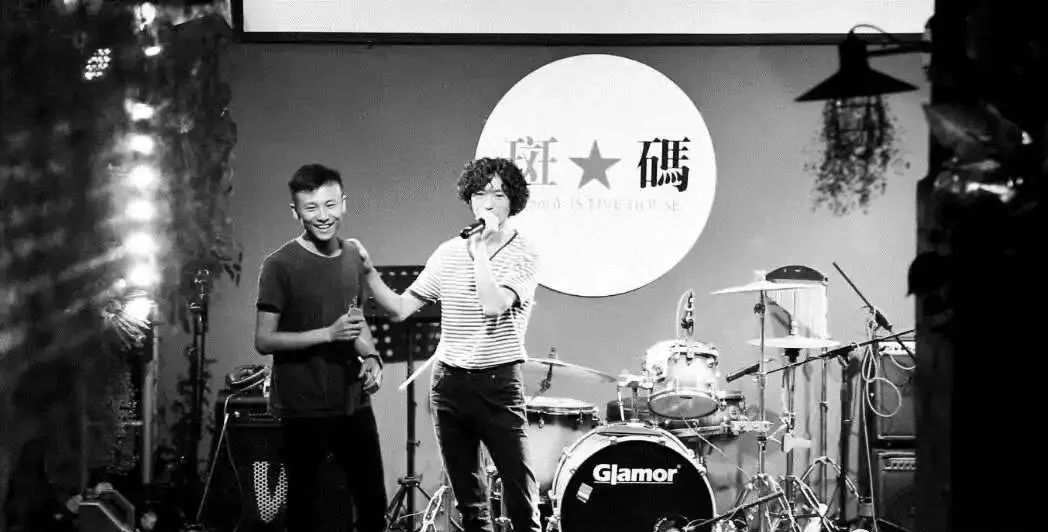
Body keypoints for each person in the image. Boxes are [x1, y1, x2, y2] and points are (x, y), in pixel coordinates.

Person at [351, 157, 541, 532]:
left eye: (499, 194)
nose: (488, 203)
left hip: (498, 383)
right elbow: (402, 308)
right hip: (450, 384)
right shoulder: (447, 252)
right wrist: (369, 272)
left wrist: (480, 251)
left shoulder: (524, 252)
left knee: (522, 502)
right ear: (469, 200)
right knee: (471, 506)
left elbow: (493, 305)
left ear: (513, 202)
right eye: (480, 194)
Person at [254, 163, 387, 532]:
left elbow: (355, 321)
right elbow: (264, 340)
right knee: (307, 513)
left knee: (372, 506)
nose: (323, 216)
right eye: (311, 207)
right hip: (303, 408)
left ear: (344, 204)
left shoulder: (353, 256)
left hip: (353, 402)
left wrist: (371, 356)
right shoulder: (278, 265)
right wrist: (327, 334)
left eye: (330, 204)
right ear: (295, 211)